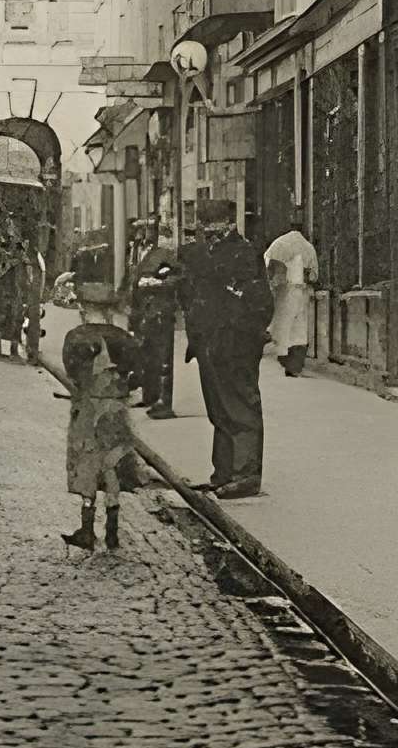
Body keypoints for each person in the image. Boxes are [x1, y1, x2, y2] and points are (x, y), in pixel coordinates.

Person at [179, 194, 274, 499]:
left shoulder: (243, 253)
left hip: (235, 345)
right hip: (209, 343)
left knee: (240, 408)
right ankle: (223, 473)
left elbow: (258, 302)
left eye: (211, 224)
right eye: (203, 224)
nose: (206, 230)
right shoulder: (206, 253)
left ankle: (245, 475)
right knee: (219, 411)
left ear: (228, 224)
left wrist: (239, 334)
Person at [61, 295, 145, 552]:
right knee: (112, 465)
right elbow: (140, 373)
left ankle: (87, 530)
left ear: (84, 309)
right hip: (116, 408)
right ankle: (112, 532)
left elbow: (72, 372)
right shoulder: (124, 339)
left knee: (87, 463)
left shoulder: (77, 337)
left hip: (90, 407)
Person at [128, 229, 181, 418]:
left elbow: (178, 278)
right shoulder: (141, 251)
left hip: (160, 310)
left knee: (163, 357)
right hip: (144, 310)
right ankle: (150, 395)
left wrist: (156, 283)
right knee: (147, 355)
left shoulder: (168, 255)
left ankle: (164, 402)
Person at [263, 218, 320, 377]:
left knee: (283, 326)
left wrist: (272, 282)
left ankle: (285, 358)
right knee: (299, 329)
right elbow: (314, 275)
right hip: (301, 291)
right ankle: (295, 364)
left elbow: (268, 266)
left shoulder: (280, 244)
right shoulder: (308, 248)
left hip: (284, 292)